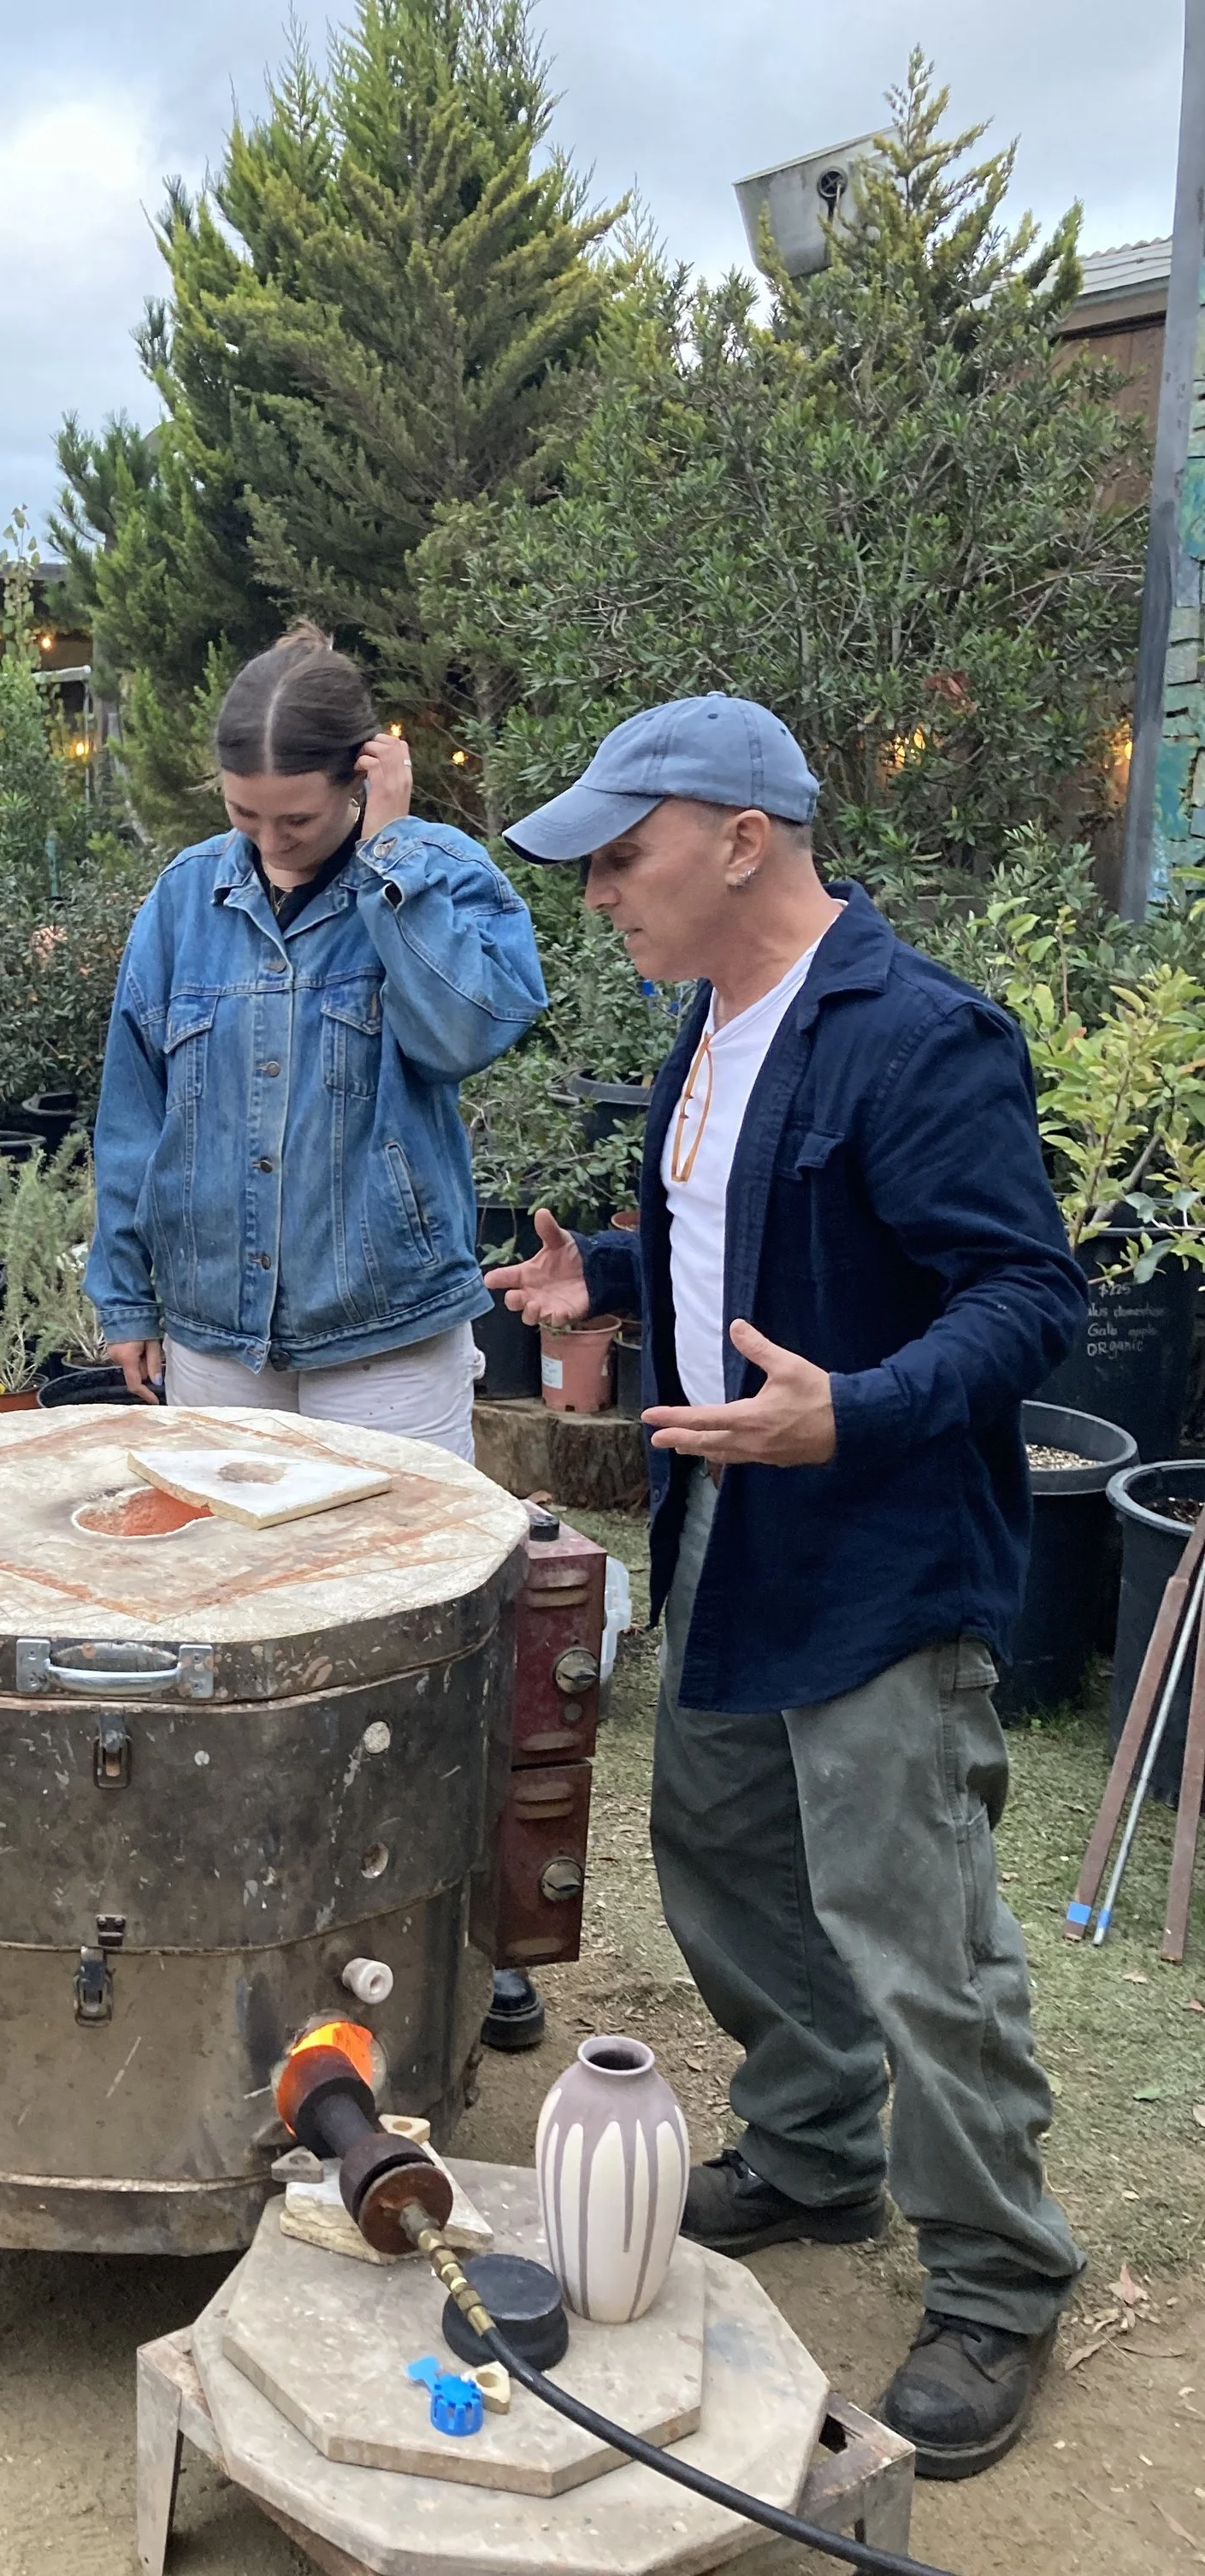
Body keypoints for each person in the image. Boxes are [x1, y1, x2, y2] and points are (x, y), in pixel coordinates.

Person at [487, 691, 1087, 2478]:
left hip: (877, 1553)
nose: (598, 892)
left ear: (741, 839)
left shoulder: (915, 1037)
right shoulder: (711, 1022)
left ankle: (996, 2276)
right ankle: (818, 2152)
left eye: (622, 855)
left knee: (913, 1923)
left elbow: (1027, 1296)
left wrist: (857, 1411)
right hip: (726, 1528)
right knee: (723, 1852)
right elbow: (738, 1235)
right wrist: (607, 1273)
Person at [85, 625, 552, 2047]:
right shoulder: (186, 899)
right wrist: (125, 1290)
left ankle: (450, 1919)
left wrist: (394, 856)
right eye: (247, 817)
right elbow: (133, 1104)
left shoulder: (438, 875)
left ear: (364, 778)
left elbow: (467, 1027)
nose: (272, 845)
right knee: (223, 1624)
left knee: (413, 1633)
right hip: (217, 1328)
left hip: (386, 1330)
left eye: (299, 819)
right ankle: (242, 1902)